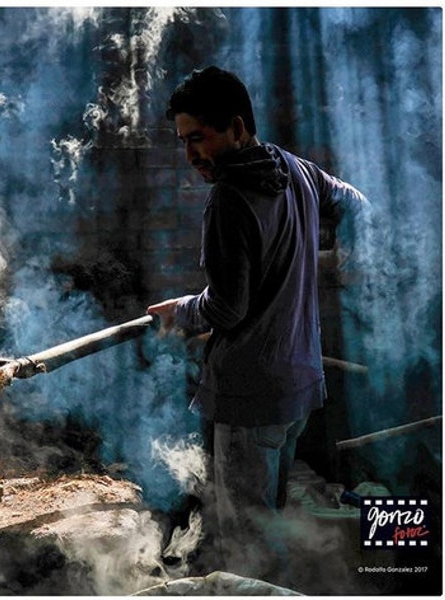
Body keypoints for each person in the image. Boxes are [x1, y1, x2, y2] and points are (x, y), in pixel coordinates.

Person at [147, 66, 370, 581]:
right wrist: (343, 258)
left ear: (238, 127)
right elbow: (358, 205)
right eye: (183, 141)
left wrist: (178, 311)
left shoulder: (228, 200)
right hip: (298, 388)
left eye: (198, 138)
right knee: (268, 520)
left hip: (250, 396)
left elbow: (226, 308)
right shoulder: (298, 169)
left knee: (247, 540)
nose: (190, 156)